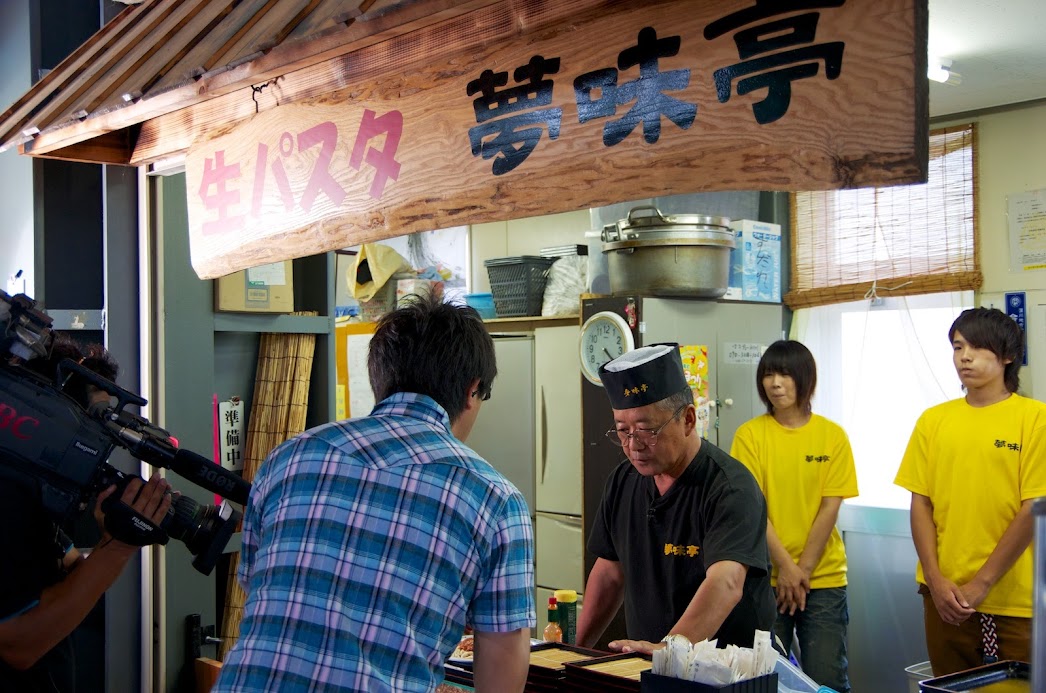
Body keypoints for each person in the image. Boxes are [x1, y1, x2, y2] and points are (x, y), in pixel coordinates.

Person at [214, 293, 535, 693]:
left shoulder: (289, 457)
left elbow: (258, 585)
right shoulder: (495, 499)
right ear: (472, 390)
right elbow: (502, 663)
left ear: (379, 379)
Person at [576, 344, 776, 654]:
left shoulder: (730, 487)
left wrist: (669, 650)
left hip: (725, 675)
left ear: (689, 419)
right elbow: (609, 572)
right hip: (650, 665)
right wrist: (575, 651)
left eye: (646, 429)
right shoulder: (622, 480)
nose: (633, 445)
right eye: (622, 431)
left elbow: (726, 582)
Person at [0, 337, 172, 692]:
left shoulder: (28, 501)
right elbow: (17, 645)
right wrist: (117, 549)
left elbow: (71, 564)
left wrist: (110, 529)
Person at [894, 307, 1046, 675]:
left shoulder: (1034, 418)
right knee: (950, 685)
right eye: (958, 346)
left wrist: (982, 583)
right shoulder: (934, 421)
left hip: (1015, 599)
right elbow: (920, 503)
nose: (965, 356)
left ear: (1008, 356)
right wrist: (934, 578)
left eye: (978, 347)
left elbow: (1033, 509)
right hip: (943, 596)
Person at [730, 340, 858, 692]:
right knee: (767, 678)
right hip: (765, 580)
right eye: (768, 374)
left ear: (806, 380)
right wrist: (785, 567)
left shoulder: (832, 437)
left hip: (824, 579)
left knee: (827, 677)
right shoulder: (750, 435)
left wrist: (800, 571)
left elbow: (830, 508)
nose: (775, 383)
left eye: (785, 374)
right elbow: (754, 508)